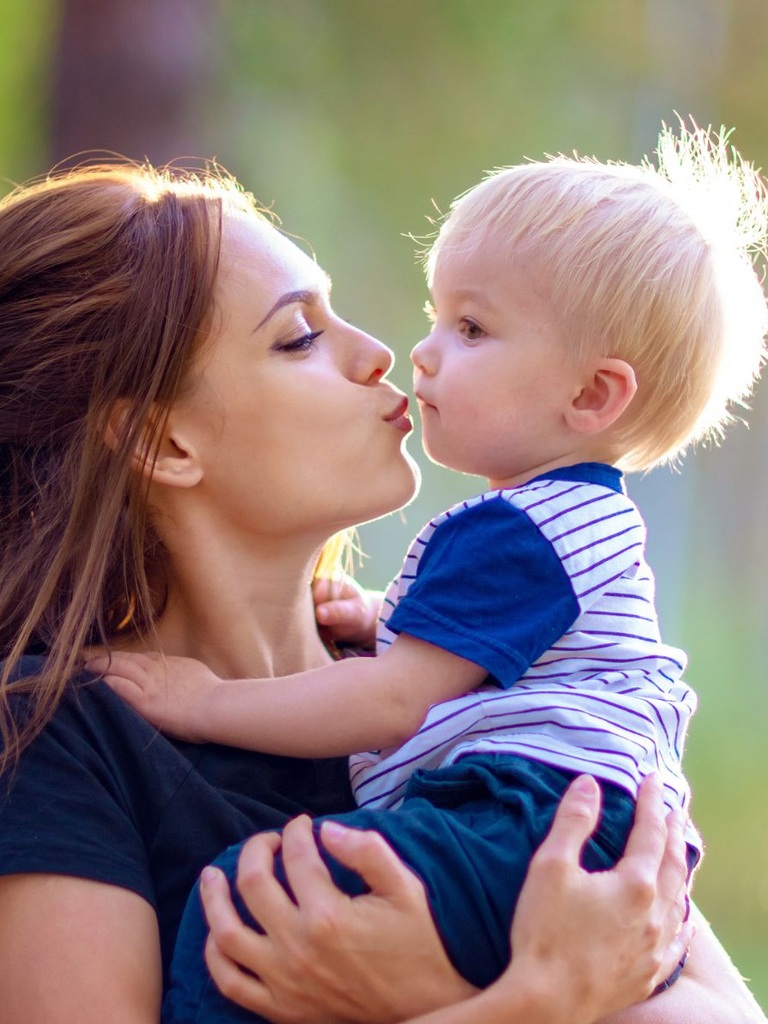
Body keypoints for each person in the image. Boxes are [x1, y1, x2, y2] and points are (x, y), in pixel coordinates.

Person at [0, 160, 763, 1024]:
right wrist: (535, 1003)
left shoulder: (454, 685)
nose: (379, 355)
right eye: (298, 338)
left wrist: (442, 997)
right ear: (165, 443)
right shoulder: (58, 730)